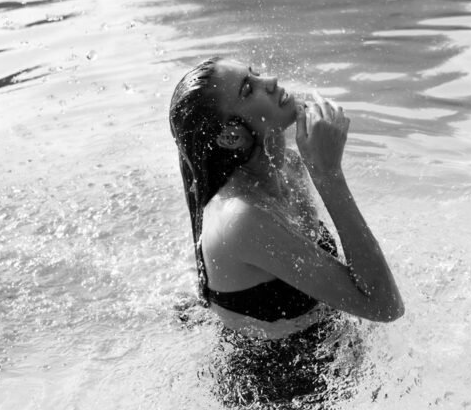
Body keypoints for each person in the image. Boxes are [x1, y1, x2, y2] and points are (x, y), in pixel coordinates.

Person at [168, 57, 404, 340]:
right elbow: (385, 307)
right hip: (278, 366)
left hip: (329, 343)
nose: (270, 81)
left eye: (255, 73)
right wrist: (329, 175)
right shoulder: (241, 218)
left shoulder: (288, 166)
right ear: (231, 137)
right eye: (248, 89)